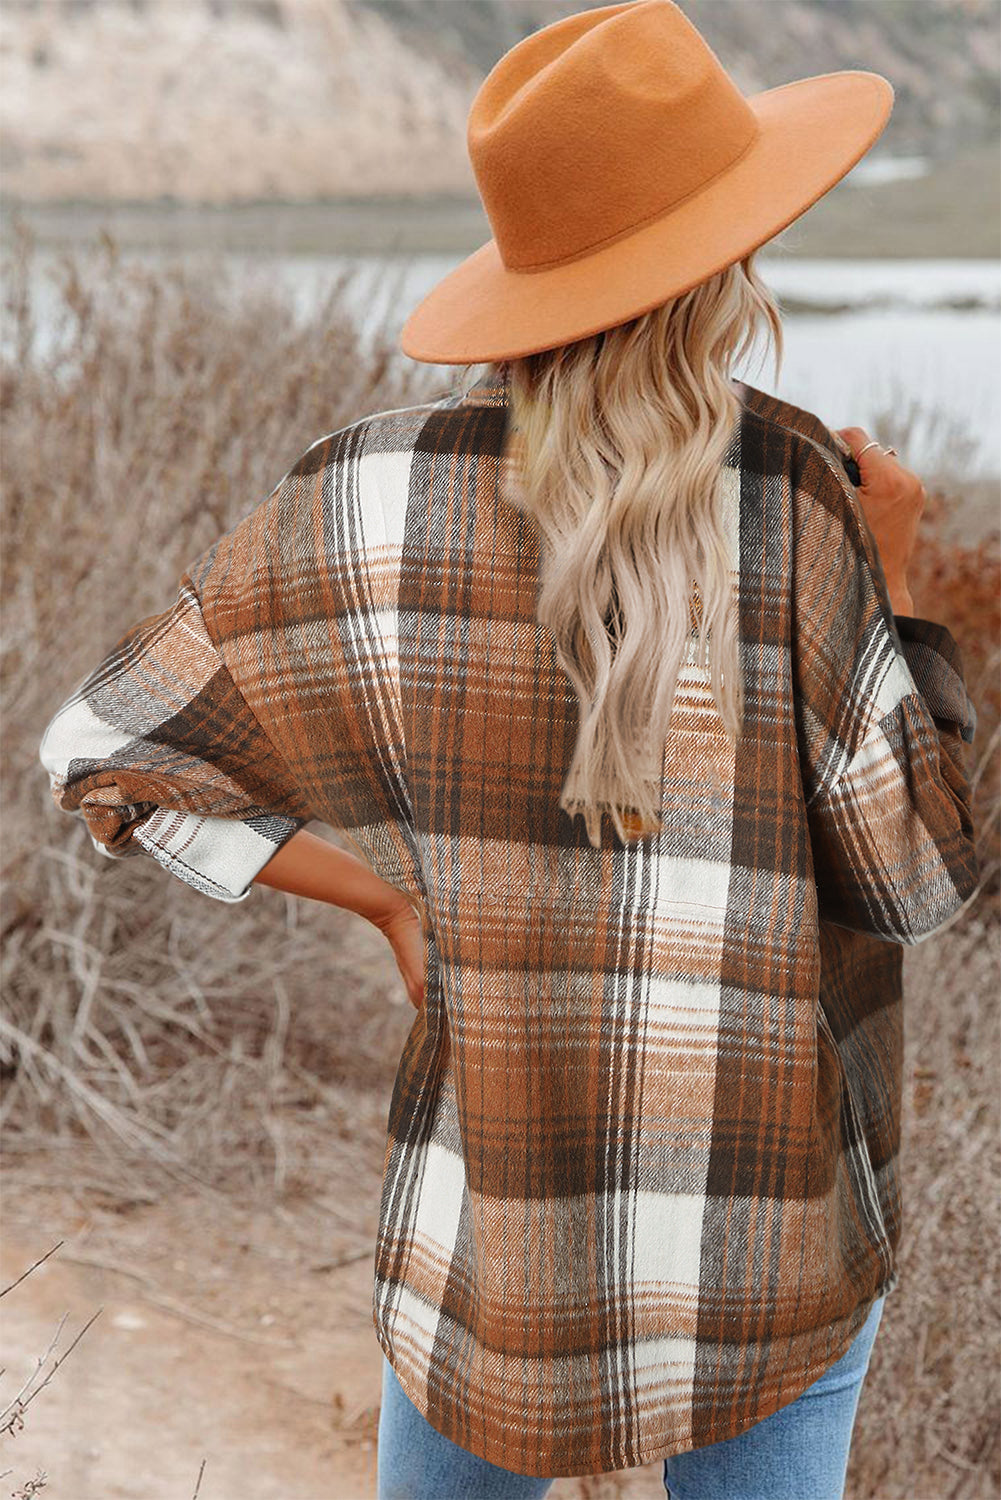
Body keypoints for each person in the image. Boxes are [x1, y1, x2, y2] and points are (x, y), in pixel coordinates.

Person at [39, 2, 980, 1498]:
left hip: (495, 1239)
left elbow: (106, 753)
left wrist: (384, 903)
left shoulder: (362, 499)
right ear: (718, 261)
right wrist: (899, 582)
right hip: (765, 1229)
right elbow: (917, 878)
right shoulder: (801, 503)